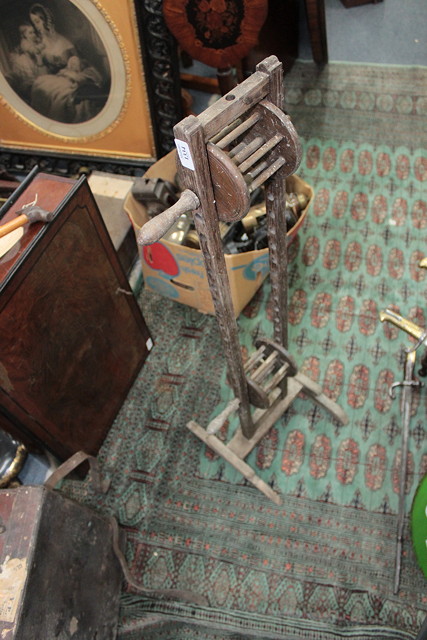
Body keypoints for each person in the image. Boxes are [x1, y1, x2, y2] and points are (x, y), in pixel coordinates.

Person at [29, 3, 76, 73]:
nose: (36, 26)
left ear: (45, 19)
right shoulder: (41, 44)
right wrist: (38, 57)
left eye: (37, 22)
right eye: (34, 23)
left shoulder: (64, 42)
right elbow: (42, 74)